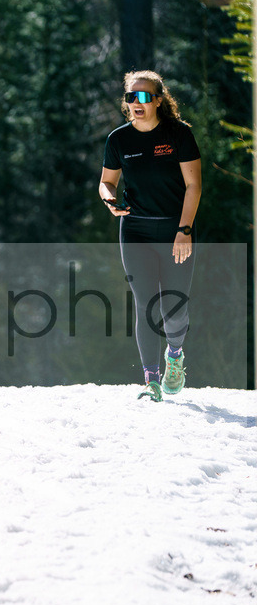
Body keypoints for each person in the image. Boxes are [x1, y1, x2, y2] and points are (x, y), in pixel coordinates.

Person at [98, 70, 201, 402]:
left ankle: (175, 354)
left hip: (175, 231)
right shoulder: (118, 140)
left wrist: (184, 230)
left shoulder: (179, 135)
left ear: (159, 99)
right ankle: (151, 379)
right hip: (136, 230)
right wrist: (108, 199)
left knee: (173, 308)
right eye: (131, 97)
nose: (137, 103)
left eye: (144, 97)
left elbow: (193, 185)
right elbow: (107, 181)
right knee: (145, 306)